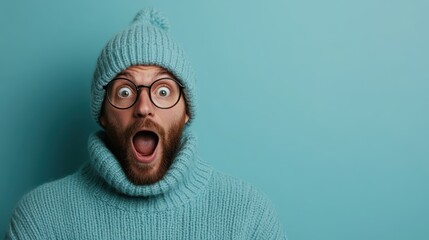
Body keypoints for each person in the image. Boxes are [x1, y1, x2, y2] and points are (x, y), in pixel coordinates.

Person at [6, 9, 286, 239]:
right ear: (102, 112)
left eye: (163, 91)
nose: (143, 107)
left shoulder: (249, 216)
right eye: (125, 92)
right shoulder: (40, 220)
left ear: (186, 109)